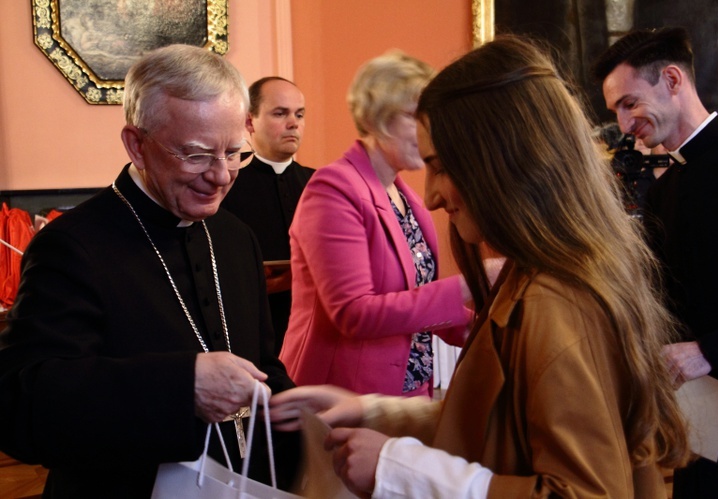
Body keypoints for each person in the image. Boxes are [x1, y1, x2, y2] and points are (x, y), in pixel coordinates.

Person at [270, 34, 690, 498]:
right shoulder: (537, 275)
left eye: (443, 167)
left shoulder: (556, 301)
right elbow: (495, 420)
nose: (431, 195)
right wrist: (375, 414)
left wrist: (400, 470)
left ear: (501, 162)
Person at [0, 45, 299, 497]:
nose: (220, 176)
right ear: (137, 144)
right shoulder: (72, 246)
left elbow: (261, 366)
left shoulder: (236, 236)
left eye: (234, 153)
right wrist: (182, 385)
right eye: (197, 155)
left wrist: (303, 413)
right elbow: (25, 407)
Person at [594, 27, 718, 498]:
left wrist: (709, 350)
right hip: (700, 418)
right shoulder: (664, 189)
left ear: (673, 79)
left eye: (629, 103)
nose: (624, 124)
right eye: (616, 111)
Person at [278, 51, 476, 398]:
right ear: (377, 118)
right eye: (415, 116)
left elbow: (411, 301)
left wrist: (479, 328)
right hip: (343, 395)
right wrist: (467, 285)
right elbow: (353, 313)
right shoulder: (334, 188)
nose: (429, 131)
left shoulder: (406, 196)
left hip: (407, 390)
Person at [221, 76, 314, 354]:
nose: (293, 123)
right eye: (280, 113)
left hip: (311, 323)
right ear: (250, 122)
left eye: (299, 114)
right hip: (253, 323)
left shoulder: (322, 184)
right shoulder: (227, 186)